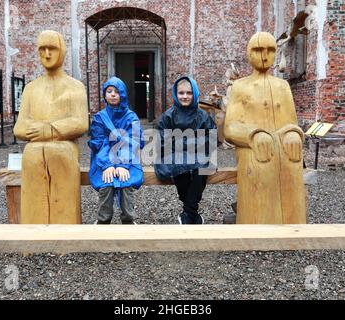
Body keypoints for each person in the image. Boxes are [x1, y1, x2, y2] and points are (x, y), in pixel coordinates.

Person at [224, 32, 306, 224]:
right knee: (258, 166)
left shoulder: (282, 86)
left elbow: (291, 122)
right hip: (253, 147)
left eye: (270, 50)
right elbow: (230, 127)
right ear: (248, 53)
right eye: (258, 50)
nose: (264, 55)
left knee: (292, 164)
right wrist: (253, 135)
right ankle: (256, 226)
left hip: (282, 146)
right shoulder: (239, 86)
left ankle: (293, 226)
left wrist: (293, 134)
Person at [13, 30, 88, 224]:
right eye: (42, 49)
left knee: (61, 154)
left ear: (62, 50)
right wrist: (42, 131)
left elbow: (80, 122)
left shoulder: (75, 87)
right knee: (32, 154)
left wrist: (50, 130)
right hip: (34, 152)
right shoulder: (31, 88)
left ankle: (66, 231)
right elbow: (19, 127)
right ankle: (32, 231)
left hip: (64, 150)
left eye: (52, 49)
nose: (47, 54)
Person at [154, 76, 217, 224]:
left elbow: (212, 138)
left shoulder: (202, 115)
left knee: (203, 167)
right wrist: (190, 143)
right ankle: (192, 212)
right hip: (174, 155)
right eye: (181, 93)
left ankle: (188, 212)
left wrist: (184, 142)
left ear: (194, 94)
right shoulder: (168, 116)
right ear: (176, 94)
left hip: (199, 154)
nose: (185, 96)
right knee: (179, 165)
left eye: (189, 93)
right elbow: (162, 142)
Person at [88, 77, 145, 224]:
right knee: (106, 183)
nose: (113, 94)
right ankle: (103, 221)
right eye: (109, 91)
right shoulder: (99, 118)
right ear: (105, 95)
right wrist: (107, 165)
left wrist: (122, 164)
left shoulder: (131, 117)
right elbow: (99, 143)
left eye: (116, 91)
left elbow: (133, 141)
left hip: (128, 159)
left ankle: (128, 220)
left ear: (123, 94)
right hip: (103, 160)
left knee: (126, 182)